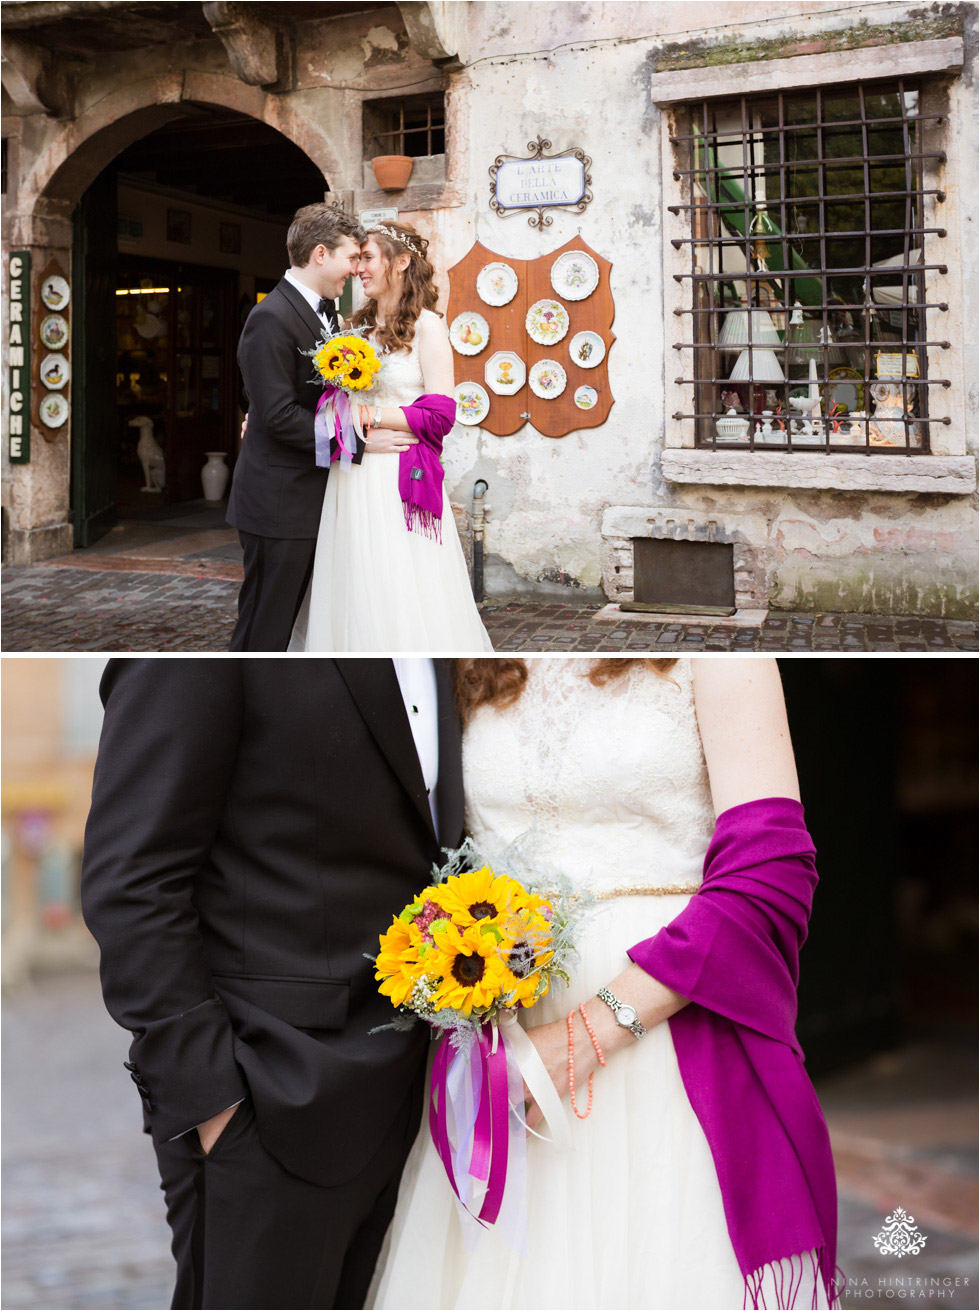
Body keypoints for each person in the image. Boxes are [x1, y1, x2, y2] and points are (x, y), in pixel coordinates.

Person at [369, 657, 840, 1311]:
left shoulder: (718, 646)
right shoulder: (465, 646)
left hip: (670, 1043)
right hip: (503, 1061)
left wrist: (582, 1036)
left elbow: (772, 868)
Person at [80, 658, 465, 1310]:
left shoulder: (444, 650)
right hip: (268, 1107)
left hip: (420, 1118)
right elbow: (131, 880)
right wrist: (217, 1108)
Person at [289, 222, 493, 652]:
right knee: (355, 575)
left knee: (398, 580)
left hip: (400, 475)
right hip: (353, 474)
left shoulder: (429, 327)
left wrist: (372, 414)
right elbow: (331, 399)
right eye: (356, 259)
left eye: (367, 258)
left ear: (400, 262)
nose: (358, 268)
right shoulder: (351, 328)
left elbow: (441, 413)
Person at [227, 204, 365, 651]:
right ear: (320, 254)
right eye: (352, 256)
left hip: (307, 497)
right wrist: (358, 442)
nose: (356, 267)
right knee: (264, 628)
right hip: (278, 502)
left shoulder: (327, 314)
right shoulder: (270, 317)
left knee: (291, 625)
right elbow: (278, 416)